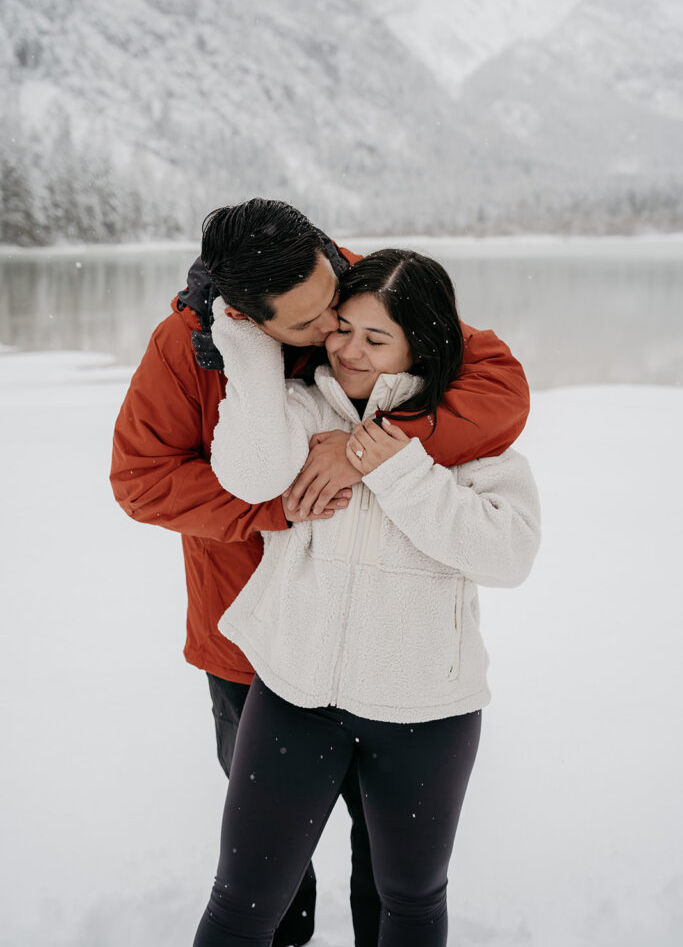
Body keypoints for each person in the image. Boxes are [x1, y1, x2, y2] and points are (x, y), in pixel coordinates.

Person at [110, 199, 531, 947]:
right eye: (310, 328)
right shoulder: (188, 349)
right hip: (255, 644)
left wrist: (371, 446)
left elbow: (495, 383)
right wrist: (286, 506)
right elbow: (142, 481)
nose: (334, 336)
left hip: (398, 675)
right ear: (247, 318)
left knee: (389, 867)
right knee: (267, 874)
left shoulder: (358, 294)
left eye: (336, 305)